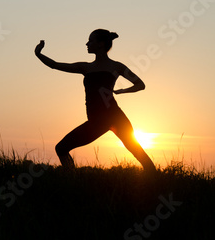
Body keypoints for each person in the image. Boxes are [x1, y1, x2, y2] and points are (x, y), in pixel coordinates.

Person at [34, 29, 156, 171]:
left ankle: (156, 181)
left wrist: (123, 91)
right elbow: (55, 65)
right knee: (61, 148)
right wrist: (38, 54)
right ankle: (73, 180)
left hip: (115, 117)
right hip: (96, 121)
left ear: (100, 44)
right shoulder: (85, 67)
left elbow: (140, 85)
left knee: (138, 152)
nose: (87, 43)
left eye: (90, 40)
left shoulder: (117, 66)